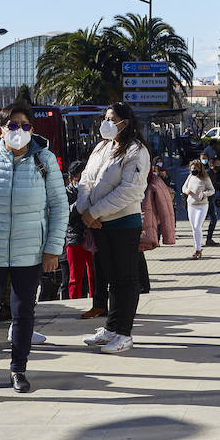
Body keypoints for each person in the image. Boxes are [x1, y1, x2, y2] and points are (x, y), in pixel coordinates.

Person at [0, 102, 68, 400]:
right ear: (0, 130)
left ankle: (18, 370)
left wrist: (52, 250)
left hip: (30, 251)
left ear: (32, 130)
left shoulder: (44, 160)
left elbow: (59, 207)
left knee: (23, 313)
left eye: (24, 125)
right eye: (12, 125)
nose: (18, 131)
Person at [76, 102, 151, 353]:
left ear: (125, 122)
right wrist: (84, 210)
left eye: (112, 119)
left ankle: (124, 333)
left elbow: (130, 190)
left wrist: (95, 211)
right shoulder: (102, 147)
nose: (106, 123)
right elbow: (86, 179)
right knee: (109, 277)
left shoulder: (136, 150)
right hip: (98, 224)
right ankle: (110, 328)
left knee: (126, 278)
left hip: (123, 223)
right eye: (105, 118)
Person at [62, 161, 93, 300]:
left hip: (91, 236)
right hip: (74, 238)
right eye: (78, 178)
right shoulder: (65, 193)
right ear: (71, 178)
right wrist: (80, 202)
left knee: (94, 274)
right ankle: (76, 304)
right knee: (75, 277)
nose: (81, 181)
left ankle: (96, 302)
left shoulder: (92, 190)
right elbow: (66, 215)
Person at [182, 159, 215, 259]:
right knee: (193, 228)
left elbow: (212, 190)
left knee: (197, 225)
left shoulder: (205, 178)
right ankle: (197, 248)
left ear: (200, 169)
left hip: (202, 205)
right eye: (192, 168)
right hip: (191, 204)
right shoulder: (190, 177)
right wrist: (186, 191)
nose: (193, 170)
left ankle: (198, 249)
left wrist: (204, 194)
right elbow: (183, 187)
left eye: (195, 168)